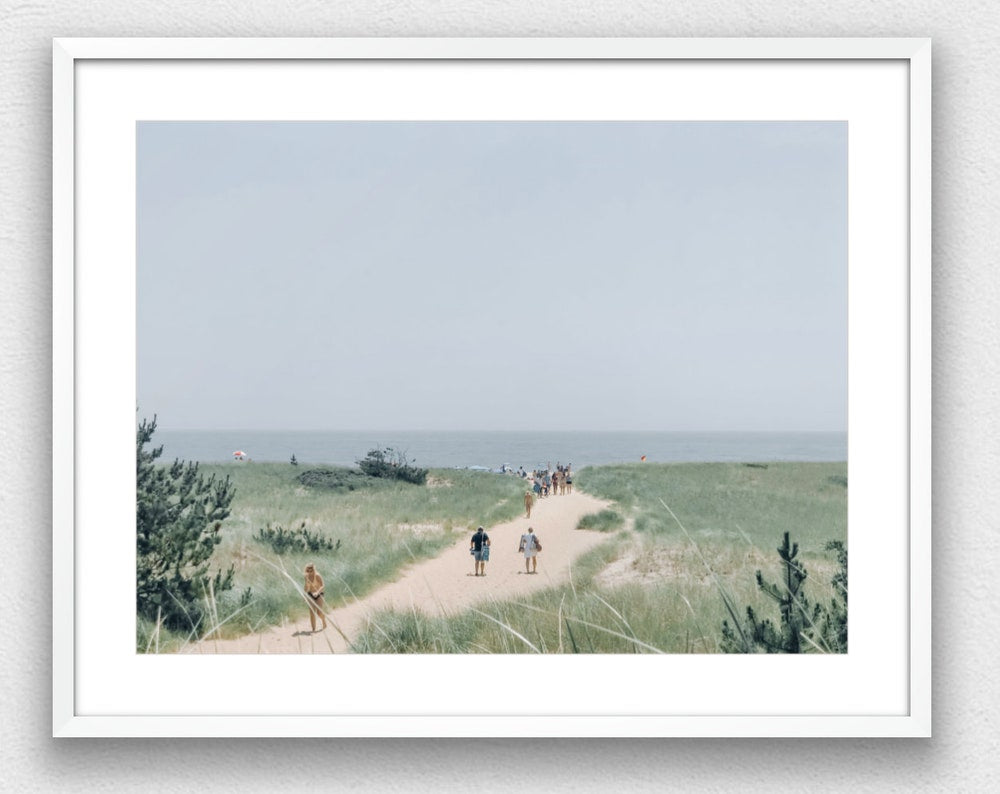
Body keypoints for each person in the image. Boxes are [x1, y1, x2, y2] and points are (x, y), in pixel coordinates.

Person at [303, 562, 328, 632]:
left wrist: (317, 592)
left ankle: (323, 620)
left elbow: (323, 586)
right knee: (311, 612)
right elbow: (306, 587)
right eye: (308, 571)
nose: (310, 572)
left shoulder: (317, 575)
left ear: (314, 569)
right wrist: (304, 595)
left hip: (319, 594)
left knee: (319, 612)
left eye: (311, 570)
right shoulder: (306, 576)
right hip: (310, 594)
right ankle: (313, 629)